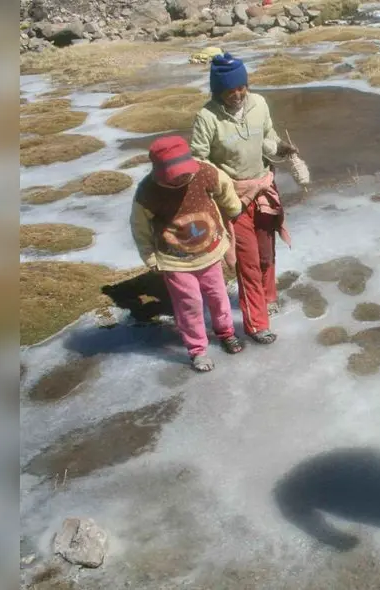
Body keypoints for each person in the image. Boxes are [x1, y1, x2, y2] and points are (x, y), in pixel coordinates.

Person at [190, 52, 297, 345]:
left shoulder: (259, 104)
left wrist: (281, 149)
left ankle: (268, 296)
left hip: (263, 189)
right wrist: (224, 185)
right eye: (229, 90)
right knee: (247, 261)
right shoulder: (207, 117)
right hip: (231, 199)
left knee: (265, 252)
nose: (237, 94)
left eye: (241, 87)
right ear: (217, 90)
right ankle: (256, 324)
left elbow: (267, 138)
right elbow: (198, 160)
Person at [130, 135, 245, 372]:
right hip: (175, 260)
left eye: (185, 171)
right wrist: (150, 257)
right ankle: (197, 350)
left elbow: (224, 188)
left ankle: (226, 332)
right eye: (175, 174)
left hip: (210, 251)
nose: (182, 177)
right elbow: (139, 227)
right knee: (189, 304)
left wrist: (233, 208)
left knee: (218, 295)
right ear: (160, 172)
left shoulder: (206, 172)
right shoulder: (148, 192)